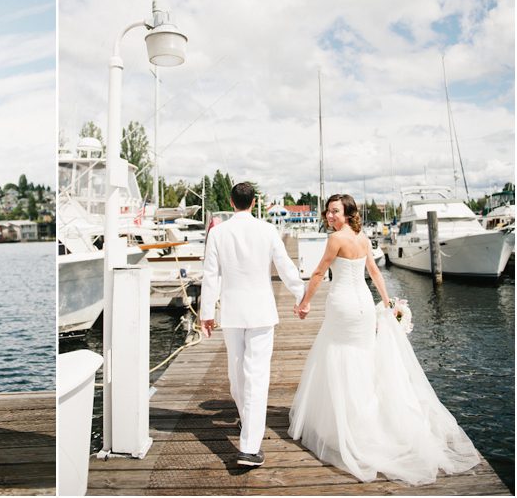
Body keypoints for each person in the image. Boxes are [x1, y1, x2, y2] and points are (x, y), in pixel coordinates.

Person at [289, 193, 480, 485]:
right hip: (364, 306)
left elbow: (318, 272)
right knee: (362, 359)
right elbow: (375, 272)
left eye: (335, 211)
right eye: (328, 212)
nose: (330, 216)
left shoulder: (336, 239)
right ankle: (367, 420)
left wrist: (304, 302)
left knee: (340, 356)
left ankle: (348, 426)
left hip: (344, 306)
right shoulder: (362, 238)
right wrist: (387, 301)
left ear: (348, 212)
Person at [200, 181, 306, 468]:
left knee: (237, 375)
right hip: (261, 312)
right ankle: (249, 443)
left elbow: (211, 275)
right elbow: (285, 266)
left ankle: (249, 434)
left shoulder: (218, 232)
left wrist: (206, 313)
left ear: (231, 202)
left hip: (232, 313)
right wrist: (301, 295)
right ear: (254, 201)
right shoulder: (268, 230)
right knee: (256, 377)